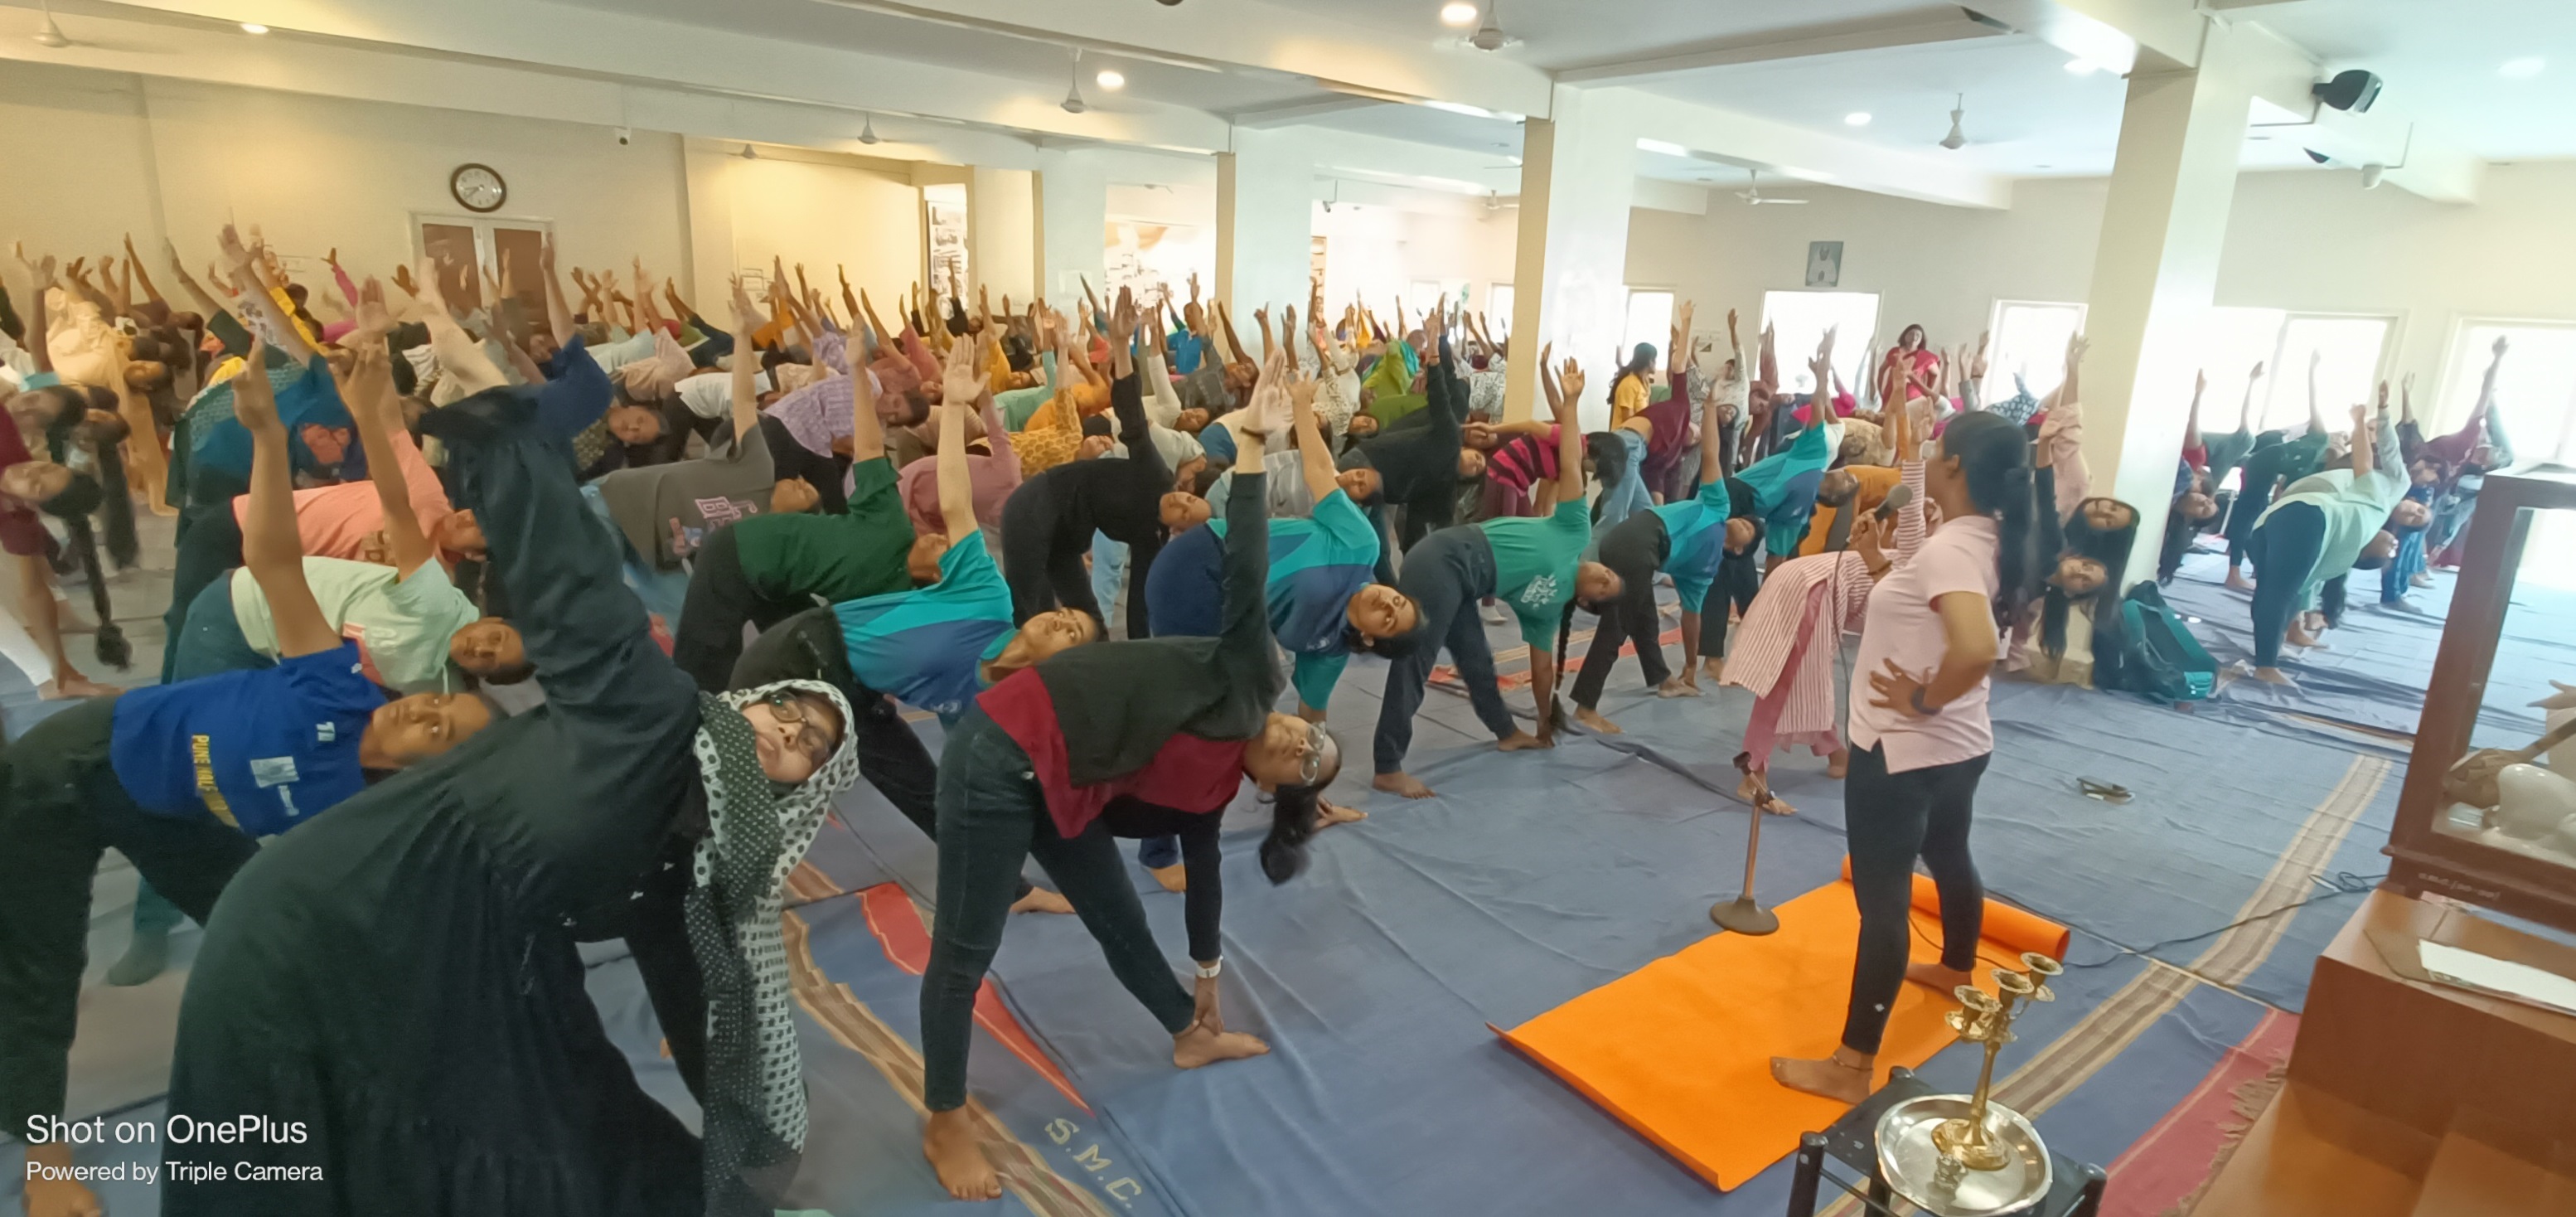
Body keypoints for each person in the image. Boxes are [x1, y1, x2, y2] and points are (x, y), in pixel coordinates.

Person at [162, 366, 864, 1217]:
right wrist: (510, 431)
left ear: (806, 800)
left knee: (585, 1132)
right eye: (788, 706)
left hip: (481, 964)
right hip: (329, 931)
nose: (791, 730)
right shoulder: (654, 720)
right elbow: (578, 596)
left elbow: (708, 1001)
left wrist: (751, 1158)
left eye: (812, 747)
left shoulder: (708, 869)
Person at [7, 339, 497, 1217]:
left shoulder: (355, 814)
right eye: (433, 703)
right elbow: (273, 558)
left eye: (438, 728)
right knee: (36, 957)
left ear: (431, 771)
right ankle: (45, 1156)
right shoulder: (336, 687)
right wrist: (269, 441)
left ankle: (343, 1100)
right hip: (75, 765)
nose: (418, 711)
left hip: (173, 813)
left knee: (267, 936)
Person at [918, 424, 1334, 1201]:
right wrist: (1248, 455)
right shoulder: (1250, 680)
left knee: (1120, 919)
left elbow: (1204, 876)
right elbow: (1245, 567)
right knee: (966, 950)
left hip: (1057, 785)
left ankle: (1187, 1034)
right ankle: (944, 1116)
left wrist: (1209, 973)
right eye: (1314, 732)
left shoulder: (1210, 799)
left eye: (1308, 760)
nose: (1298, 737)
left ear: (1278, 789)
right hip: (999, 755)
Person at [724, 337, 1097, 916]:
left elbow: (992, 769)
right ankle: (709, 867)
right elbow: (955, 501)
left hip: (856, 694)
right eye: (1067, 613)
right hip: (802, 654)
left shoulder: (991, 700)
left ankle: (1012, 893)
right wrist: (953, 407)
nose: (1059, 618)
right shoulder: (986, 596)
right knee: (769, 774)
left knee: (923, 790)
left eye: (1070, 632)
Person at [1771, 409, 2037, 1104]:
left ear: (1955, 468)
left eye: (1935, 453)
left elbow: (1976, 646)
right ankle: (1954, 966)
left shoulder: (1953, 550)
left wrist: (1923, 699)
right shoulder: (1989, 538)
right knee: (1950, 854)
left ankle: (1852, 1064)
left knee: (1882, 902)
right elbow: (1937, 615)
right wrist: (1877, 566)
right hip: (1961, 747)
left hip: (1902, 748)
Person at [1372, 350, 1618, 800]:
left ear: (1584, 603)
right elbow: (1567, 466)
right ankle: (1388, 765)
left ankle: (1506, 730)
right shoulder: (1574, 528)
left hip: (1464, 581)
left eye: (1604, 585)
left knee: (1477, 659)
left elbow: (1542, 672)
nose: (1602, 572)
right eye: (1609, 572)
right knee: (1417, 657)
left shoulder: (1546, 614)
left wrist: (1546, 722)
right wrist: (1570, 405)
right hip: (1446, 557)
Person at [672, 288, 922, 692]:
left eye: (896, 417)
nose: (890, 412)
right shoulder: (872, 392)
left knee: (799, 631)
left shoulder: (891, 586)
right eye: (895, 406)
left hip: (790, 501)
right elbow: (826, 350)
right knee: (708, 656)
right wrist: (799, 311)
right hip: (781, 444)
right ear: (894, 393)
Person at [1721, 398, 1930, 814]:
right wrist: (1917, 451)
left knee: (1812, 681)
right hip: (1810, 586)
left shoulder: (1934, 598)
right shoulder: (1918, 557)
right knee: (1784, 683)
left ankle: (1836, 754)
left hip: (1812, 584)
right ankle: (1753, 771)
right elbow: (1912, 507)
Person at [1563, 337, 1758, 735]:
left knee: (1645, 616)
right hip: (1642, 537)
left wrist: (1691, 665)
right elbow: (1710, 455)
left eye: (1749, 531)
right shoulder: (1718, 506)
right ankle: (1586, 705)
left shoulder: (1702, 574)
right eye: (1747, 521)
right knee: (1617, 624)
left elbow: (1692, 618)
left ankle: (1663, 679)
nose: (1743, 523)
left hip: (1641, 550)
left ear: (1739, 549)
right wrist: (1707, 409)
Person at [997, 288, 1201, 641]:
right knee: (1029, 612)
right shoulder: (1157, 477)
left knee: (1091, 623)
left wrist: (1142, 655)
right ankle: (1012, 683)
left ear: (1176, 532)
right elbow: (1132, 415)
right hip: (1035, 505)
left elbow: (1140, 601)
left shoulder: (1151, 539)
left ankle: (1104, 678)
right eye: (1188, 499)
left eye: (1184, 515)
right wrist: (1121, 344)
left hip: (1067, 539)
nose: (1179, 502)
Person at [2244, 400, 2412, 685]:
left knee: (2280, 591)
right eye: (2396, 547)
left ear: (2365, 554)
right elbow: (2368, 460)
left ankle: (2268, 654)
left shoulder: (2342, 552)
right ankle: (2266, 665)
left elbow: (2298, 593)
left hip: (2282, 523)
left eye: (2390, 552)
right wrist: (2367, 420)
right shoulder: (2374, 506)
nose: (2394, 545)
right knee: (2281, 591)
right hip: (2300, 514)